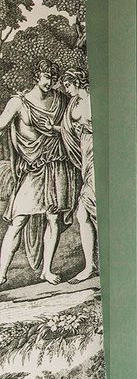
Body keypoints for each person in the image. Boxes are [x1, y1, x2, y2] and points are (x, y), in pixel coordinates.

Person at [0, 62, 79, 286]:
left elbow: (73, 128)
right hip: (33, 167)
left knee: (53, 218)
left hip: (57, 163)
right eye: (46, 76)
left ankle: (46, 270)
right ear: (37, 76)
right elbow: (1, 124)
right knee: (18, 220)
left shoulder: (62, 100)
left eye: (53, 78)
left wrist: (56, 128)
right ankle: (1, 273)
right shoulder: (19, 102)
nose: (50, 82)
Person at [61, 68, 94, 283]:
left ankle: (93, 266)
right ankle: (90, 265)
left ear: (77, 82)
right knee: (83, 214)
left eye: (68, 85)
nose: (66, 89)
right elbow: (68, 129)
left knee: (88, 210)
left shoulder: (95, 99)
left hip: (100, 155)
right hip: (85, 156)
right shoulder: (74, 104)